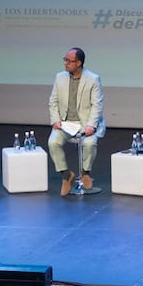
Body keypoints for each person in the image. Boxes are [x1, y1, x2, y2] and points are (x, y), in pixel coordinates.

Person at [47, 47, 105, 196]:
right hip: (65, 123)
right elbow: (53, 101)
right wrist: (55, 120)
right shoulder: (60, 77)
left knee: (89, 143)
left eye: (69, 61)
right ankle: (66, 175)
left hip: (86, 123)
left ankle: (85, 172)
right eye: (65, 59)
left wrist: (91, 125)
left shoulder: (93, 79)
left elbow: (97, 105)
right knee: (53, 142)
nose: (65, 63)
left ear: (78, 63)